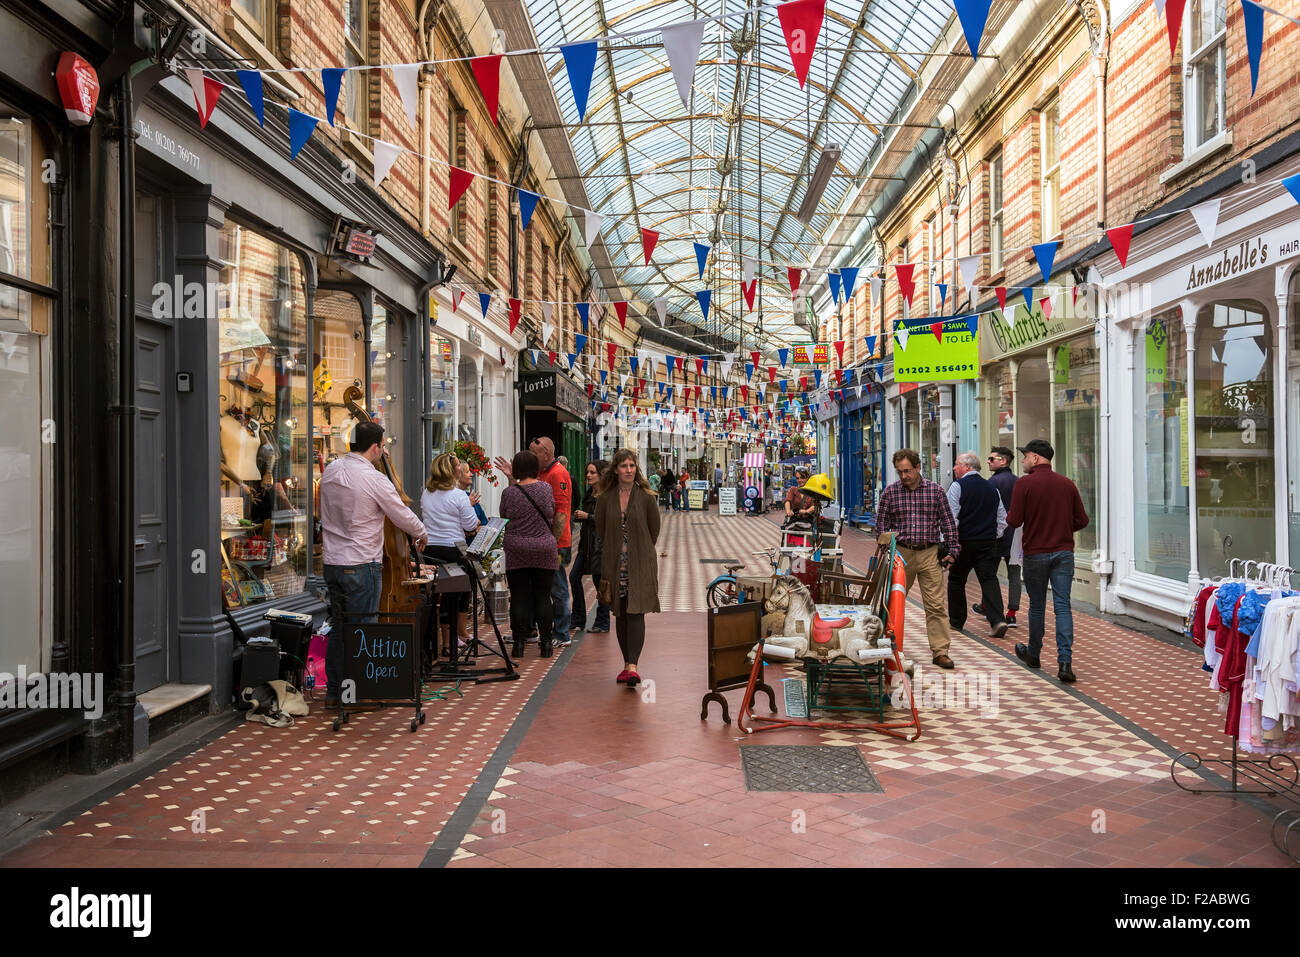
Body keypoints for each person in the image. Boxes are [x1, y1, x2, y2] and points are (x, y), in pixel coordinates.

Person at [319, 421, 428, 705]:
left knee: (339, 627)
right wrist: (421, 532)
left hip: (332, 563)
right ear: (376, 446)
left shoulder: (331, 470)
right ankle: (358, 695)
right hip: (361, 563)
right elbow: (399, 513)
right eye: (383, 445)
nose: (384, 449)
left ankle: (335, 694)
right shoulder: (373, 478)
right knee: (362, 630)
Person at [1006, 438, 1089, 683]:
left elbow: (1014, 521)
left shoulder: (1024, 484)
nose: (1022, 460)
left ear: (1036, 458)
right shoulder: (1067, 484)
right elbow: (1082, 520)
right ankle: (1065, 662)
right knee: (1063, 606)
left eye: (1025, 455)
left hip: (1036, 552)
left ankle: (1034, 653)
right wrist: (1062, 528)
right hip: (1064, 552)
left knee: (1037, 605)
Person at [874, 448, 960, 669]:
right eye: (900, 472)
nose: (904, 476)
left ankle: (940, 651)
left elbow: (948, 522)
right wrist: (885, 547)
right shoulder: (890, 493)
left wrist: (952, 550)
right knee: (893, 602)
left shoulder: (935, 491)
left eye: (908, 471)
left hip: (929, 552)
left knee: (935, 604)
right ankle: (890, 648)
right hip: (901, 553)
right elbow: (881, 525)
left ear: (918, 467)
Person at [495, 436, 572, 646]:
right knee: (541, 595)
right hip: (544, 545)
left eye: (533, 450)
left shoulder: (557, 474)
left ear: (546, 453)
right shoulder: (543, 483)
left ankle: (561, 633)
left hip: (546, 543)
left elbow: (561, 512)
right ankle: (539, 638)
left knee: (551, 591)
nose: (530, 453)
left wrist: (554, 542)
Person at [595, 449, 661, 688]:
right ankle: (626, 664)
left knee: (636, 611)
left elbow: (653, 529)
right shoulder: (605, 497)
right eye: (624, 466)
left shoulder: (646, 496)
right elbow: (601, 529)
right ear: (616, 470)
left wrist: (638, 549)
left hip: (640, 563)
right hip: (615, 563)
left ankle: (633, 666)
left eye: (632, 466)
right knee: (620, 613)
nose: (629, 470)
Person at [419, 452, 480, 647]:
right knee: (456, 592)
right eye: (458, 466)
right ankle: (451, 639)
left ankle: (442, 640)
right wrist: (474, 516)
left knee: (436, 593)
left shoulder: (426, 493)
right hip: (452, 549)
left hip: (429, 550)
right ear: (452, 470)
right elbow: (470, 525)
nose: (461, 468)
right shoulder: (458, 495)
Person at [946, 451, 1009, 638]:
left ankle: (956, 622)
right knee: (989, 580)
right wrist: (993, 536)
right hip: (987, 542)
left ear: (967, 466)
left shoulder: (958, 486)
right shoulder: (992, 488)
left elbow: (951, 517)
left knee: (956, 580)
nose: (954, 468)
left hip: (964, 542)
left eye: (957, 464)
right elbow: (1002, 519)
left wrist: (951, 542)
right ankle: (998, 620)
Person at [976, 446, 1021, 627]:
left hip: (996, 534)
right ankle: (1011, 614)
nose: (988, 461)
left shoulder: (992, 483)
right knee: (1015, 576)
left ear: (1003, 461)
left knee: (988, 574)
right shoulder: (1018, 481)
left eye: (991, 459)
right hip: (1016, 535)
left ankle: (988, 606)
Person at [570, 459, 611, 635]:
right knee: (573, 577)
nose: (588, 475)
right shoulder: (589, 494)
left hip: (600, 547)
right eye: (587, 472)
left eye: (592, 472)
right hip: (585, 547)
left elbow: (610, 520)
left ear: (601, 474)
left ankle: (602, 622)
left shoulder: (608, 495)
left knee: (599, 584)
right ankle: (578, 619)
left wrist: (588, 516)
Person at [455, 459, 489, 527]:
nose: (472, 474)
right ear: (458, 475)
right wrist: (468, 505)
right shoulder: (453, 497)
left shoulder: (470, 496)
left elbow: (484, 522)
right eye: (467, 472)